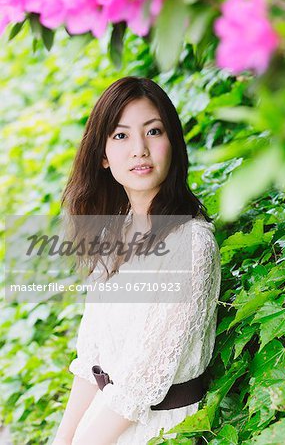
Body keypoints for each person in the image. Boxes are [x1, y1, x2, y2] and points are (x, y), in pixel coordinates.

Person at [52, 76, 221, 445]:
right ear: (102, 155)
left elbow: (142, 382)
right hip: (104, 420)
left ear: (173, 143)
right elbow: (90, 360)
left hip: (159, 429)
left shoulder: (192, 243)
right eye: (120, 136)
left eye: (154, 131)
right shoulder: (115, 233)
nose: (139, 149)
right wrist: (62, 439)